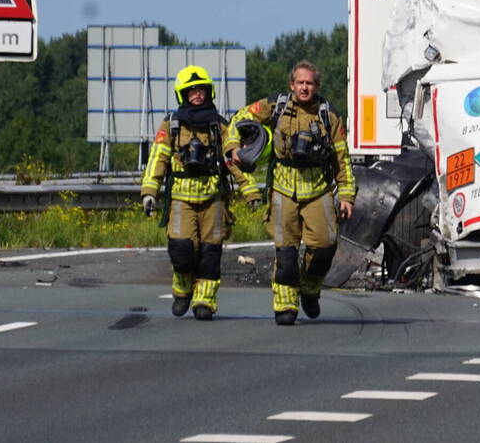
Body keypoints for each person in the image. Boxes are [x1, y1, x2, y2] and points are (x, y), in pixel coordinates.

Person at [225, 60, 356, 325]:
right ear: (292, 85)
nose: (304, 88)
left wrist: (346, 196)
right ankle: (285, 303)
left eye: (309, 83)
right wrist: (234, 147)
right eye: (300, 83)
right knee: (285, 254)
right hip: (283, 188)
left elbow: (342, 159)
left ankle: (309, 288)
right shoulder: (277, 106)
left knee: (324, 247)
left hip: (317, 188)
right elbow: (239, 118)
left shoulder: (329, 116)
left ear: (316, 86)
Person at [141, 65, 245, 321]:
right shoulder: (172, 124)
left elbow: (233, 159)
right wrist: (149, 192)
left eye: (201, 90)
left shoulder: (219, 125)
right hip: (181, 199)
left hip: (213, 199)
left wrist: (249, 189)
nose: (197, 95)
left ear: (209, 92)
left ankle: (204, 301)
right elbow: (157, 159)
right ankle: (183, 289)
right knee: (181, 250)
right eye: (192, 91)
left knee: (211, 253)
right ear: (183, 94)